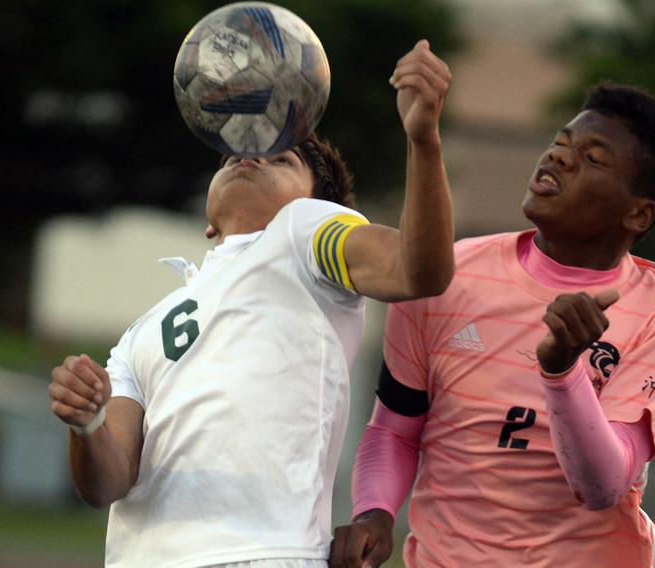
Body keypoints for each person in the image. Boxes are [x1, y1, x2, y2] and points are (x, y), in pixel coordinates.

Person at [47, 40, 454, 568]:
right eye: (235, 151)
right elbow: (107, 483)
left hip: (263, 554)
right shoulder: (139, 334)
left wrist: (423, 140)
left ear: (315, 203)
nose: (249, 153)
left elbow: (419, 270)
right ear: (209, 218)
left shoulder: (305, 235)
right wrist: (87, 423)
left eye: (278, 155)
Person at [331, 83, 655, 568]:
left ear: (638, 213)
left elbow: (602, 487)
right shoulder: (444, 275)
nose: (559, 159)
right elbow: (395, 431)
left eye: (592, 158)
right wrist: (374, 514)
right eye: (560, 143)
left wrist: (562, 372)